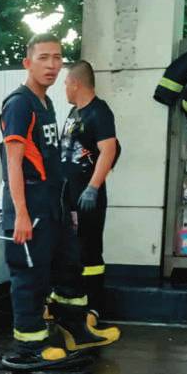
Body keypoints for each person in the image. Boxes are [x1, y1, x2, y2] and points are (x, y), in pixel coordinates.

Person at [0, 33, 119, 370]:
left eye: (57, 57)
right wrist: (21, 213)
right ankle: (29, 343)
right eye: (43, 58)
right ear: (27, 63)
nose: (52, 65)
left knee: (69, 266)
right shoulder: (20, 103)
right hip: (31, 205)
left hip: (55, 202)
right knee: (31, 275)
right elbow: (13, 163)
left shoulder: (47, 103)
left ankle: (74, 328)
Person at [60, 59, 119, 314]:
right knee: (71, 250)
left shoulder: (99, 111)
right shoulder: (74, 113)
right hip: (68, 194)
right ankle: (71, 302)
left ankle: (94, 307)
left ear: (75, 83)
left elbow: (109, 150)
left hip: (88, 196)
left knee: (90, 249)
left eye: (65, 83)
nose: (64, 88)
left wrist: (93, 187)